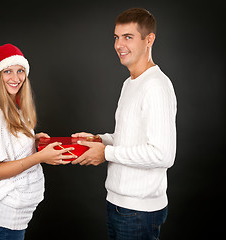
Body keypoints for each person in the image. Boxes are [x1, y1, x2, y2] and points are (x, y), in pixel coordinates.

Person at [72, 8, 177, 239]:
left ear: (149, 39)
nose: (119, 45)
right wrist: (99, 140)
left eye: (128, 37)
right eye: (116, 37)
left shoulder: (156, 86)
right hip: (119, 204)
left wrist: (106, 152)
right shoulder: (130, 83)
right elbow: (130, 138)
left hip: (139, 211)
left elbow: (163, 154)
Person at [0, 43, 75, 240]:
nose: (15, 78)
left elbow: (8, 147)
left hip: (14, 219)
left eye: (20, 71)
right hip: (1, 222)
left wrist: (33, 142)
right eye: (7, 71)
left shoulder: (15, 110)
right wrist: (39, 156)